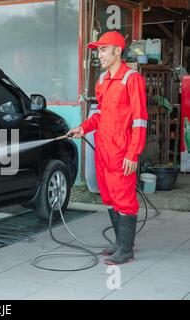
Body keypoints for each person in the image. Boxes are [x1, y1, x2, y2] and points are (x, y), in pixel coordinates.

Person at [68, 31, 148, 265]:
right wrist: (83, 127)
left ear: (117, 51)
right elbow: (101, 115)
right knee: (110, 198)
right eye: (98, 50)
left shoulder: (131, 79)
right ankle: (119, 243)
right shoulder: (102, 80)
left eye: (103, 49)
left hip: (122, 152)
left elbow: (140, 120)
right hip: (102, 150)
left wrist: (133, 153)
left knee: (124, 199)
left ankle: (126, 249)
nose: (99, 54)